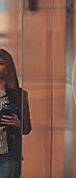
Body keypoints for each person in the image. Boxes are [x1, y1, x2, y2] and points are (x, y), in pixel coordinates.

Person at [0, 49, 32, 178]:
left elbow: (27, 128)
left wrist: (18, 124)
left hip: (8, 154)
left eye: (0, 63)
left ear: (8, 67)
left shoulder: (19, 95)